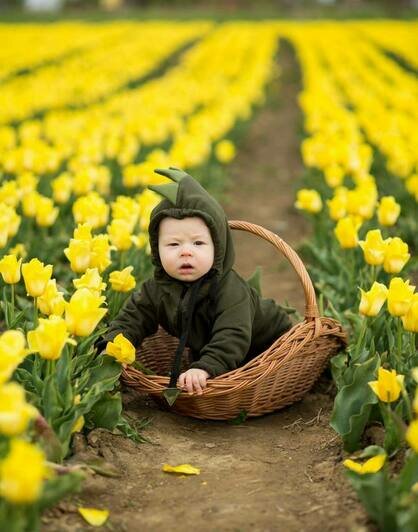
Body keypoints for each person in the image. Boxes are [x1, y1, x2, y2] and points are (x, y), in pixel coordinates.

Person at [102, 167, 292, 405]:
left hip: (264, 346)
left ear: (218, 247)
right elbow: (134, 317)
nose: (186, 252)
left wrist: (205, 367)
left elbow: (232, 335)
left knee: (234, 351)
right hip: (212, 345)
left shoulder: (230, 290)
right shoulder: (158, 288)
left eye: (199, 243)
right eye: (173, 244)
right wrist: (114, 344)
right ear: (156, 249)